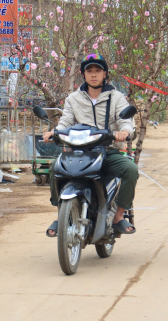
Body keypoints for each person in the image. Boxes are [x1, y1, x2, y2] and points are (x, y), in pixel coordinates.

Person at [43, 54, 138, 237]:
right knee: (55, 168)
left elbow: (125, 120)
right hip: (80, 152)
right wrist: (54, 132)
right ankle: (60, 214)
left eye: (98, 71)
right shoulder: (73, 99)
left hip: (108, 151)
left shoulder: (116, 97)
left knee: (131, 170)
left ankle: (118, 217)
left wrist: (124, 132)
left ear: (105, 74)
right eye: (89, 71)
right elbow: (65, 121)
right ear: (83, 74)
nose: (93, 75)